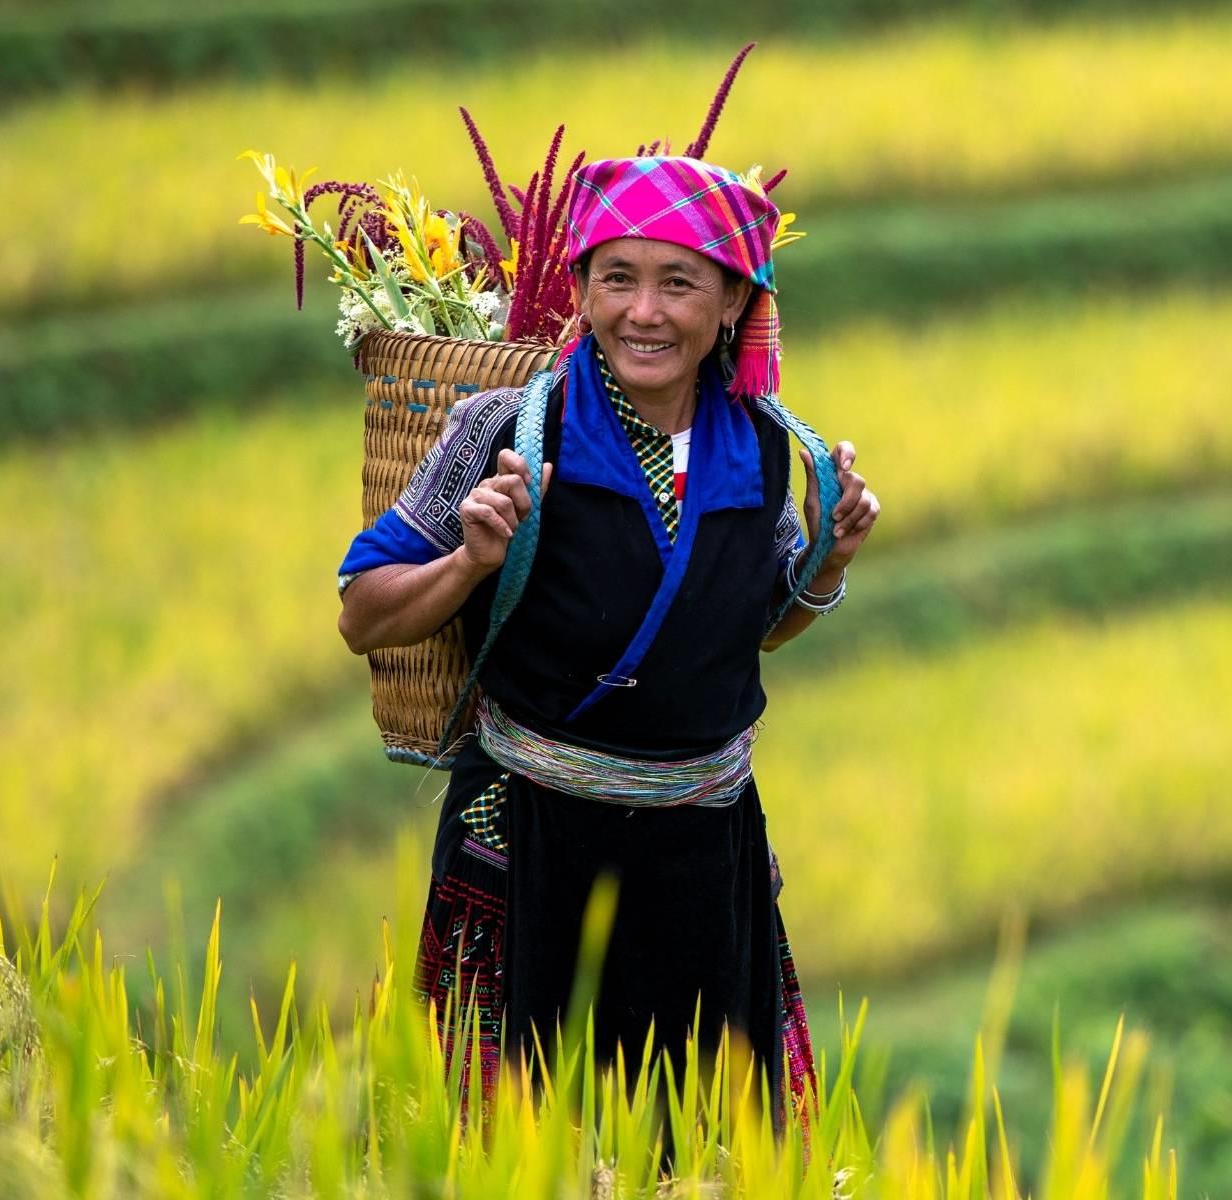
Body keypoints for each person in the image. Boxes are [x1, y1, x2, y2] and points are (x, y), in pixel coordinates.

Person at [332, 155, 878, 1120]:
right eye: (618, 278)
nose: (645, 312)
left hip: (706, 854)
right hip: (531, 840)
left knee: (704, 1144)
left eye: (679, 283)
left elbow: (754, 631)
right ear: (580, 293)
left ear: (732, 306)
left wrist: (825, 561)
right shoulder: (507, 432)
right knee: (519, 1147)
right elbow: (361, 612)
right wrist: (468, 562)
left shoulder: (757, 444)